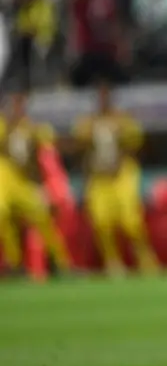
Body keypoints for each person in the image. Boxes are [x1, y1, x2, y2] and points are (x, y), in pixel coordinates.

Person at [72, 82, 157, 275]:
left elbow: (140, 145)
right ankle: (113, 262)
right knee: (102, 222)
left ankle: (146, 260)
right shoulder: (86, 124)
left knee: (131, 222)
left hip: (121, 176)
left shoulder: (124, 121)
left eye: (106, 96)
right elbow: (79, 152)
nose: (103, 100)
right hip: (99, 177)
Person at [0, 91, 70, 274]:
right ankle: (14, 262)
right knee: (1, 212)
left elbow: (48, 154)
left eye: (19, 104)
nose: (16, 109)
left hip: (24, 181)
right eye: (13, 104)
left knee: (41, 216)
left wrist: (48, 185)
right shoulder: (3, 125)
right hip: (5, 178)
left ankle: (60, 262)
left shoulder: (33, 128)